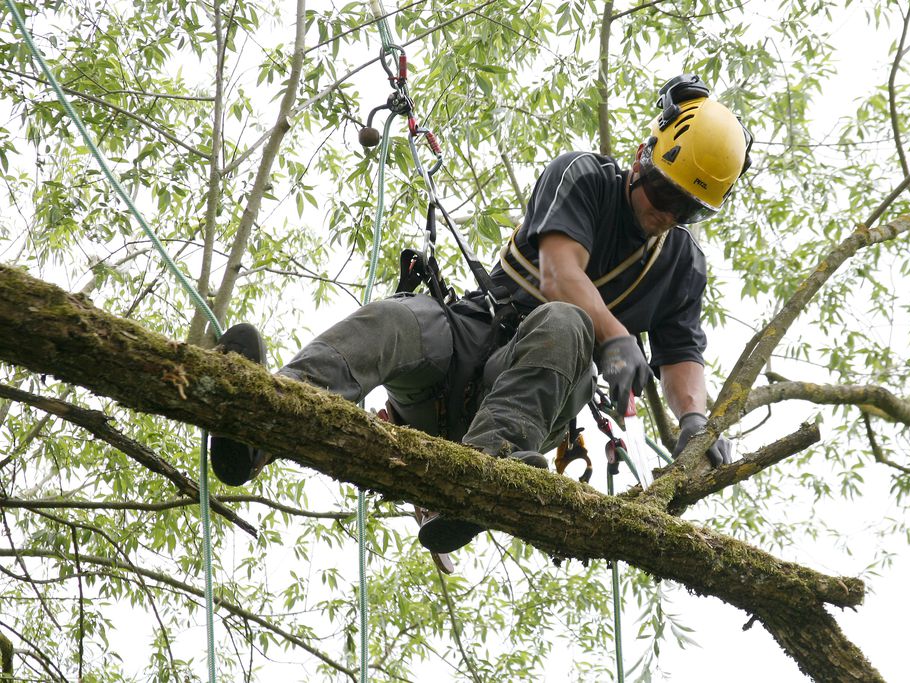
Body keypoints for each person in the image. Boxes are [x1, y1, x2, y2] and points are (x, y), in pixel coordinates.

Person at [209, 74, 752, 555]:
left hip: (537, 394)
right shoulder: (584, 176)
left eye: (688, 209)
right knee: (395, 319)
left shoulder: (681, 263)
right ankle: (265, 414)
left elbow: (682, 352)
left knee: (566, 326)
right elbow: (559, 274)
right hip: (472, 337)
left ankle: (479, 479)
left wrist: (694, 421)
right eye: (662, 189)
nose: (667, 212)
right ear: (645, 153)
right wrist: (616, 337)